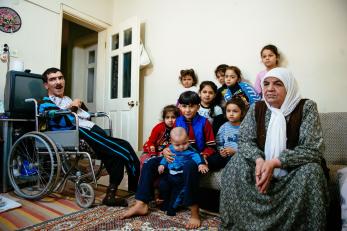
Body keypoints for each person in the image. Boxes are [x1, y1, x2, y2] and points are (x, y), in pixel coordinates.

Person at [219, 67, 329, 230]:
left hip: (294, 171)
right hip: (261, 166)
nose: (270, 88)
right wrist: (259, 160)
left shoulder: (306, 107)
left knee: (312, 171)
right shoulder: (257, 108)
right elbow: (244, 141)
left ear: (289, 87)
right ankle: (242, 224)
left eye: (278, 84)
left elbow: (313, 149)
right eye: (266, 84)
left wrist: (276, 162)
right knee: (236, 164)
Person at [40, 67, 140, 207]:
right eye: (52, 79)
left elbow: (85, 114)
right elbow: (64, 121)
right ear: (46, 85)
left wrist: (78, 103)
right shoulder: (45, 103)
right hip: (77, 133)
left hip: (89, 129)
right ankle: (138, 191)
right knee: (123, 149)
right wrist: (73, 106)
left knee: (117, 155)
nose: (58, 82)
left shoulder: (67, 99)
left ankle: (110, 197)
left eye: (60, 78)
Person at [122, 91, 216, 229]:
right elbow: (169, 141)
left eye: (191, 106)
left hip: (193, 156)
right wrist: (165, 150)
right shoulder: (176, 121)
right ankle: (141, 203)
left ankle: (194, 211)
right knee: (149, 163)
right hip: (175, 155)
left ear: (198, 107)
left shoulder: (204, 122)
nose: (187, 110)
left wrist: (204, 157)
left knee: (190, 167)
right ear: (180, 107)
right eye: (184, 106)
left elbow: (211, 146)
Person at [158, 127, 209, 216]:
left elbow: (196, 156)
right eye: (177, 145)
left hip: (180, 177)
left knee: (177, 192)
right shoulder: (170, 149)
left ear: (188, 139)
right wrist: (162, 164)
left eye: (184, 143)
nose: (181, 147)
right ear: (171, 142)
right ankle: (166, 202)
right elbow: (166, 158)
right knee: (163, 185)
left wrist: (200, 164)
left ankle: (172, 208)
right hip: (170, 174)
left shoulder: (189, 151)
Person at [140, 104, 180, 169]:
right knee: (145, 161)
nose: (170, 120)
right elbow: (151, 142)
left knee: (170, 161)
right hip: (151, 149)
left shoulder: (178, 128)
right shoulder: (158, 127)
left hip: (165, 151)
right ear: (164, 118)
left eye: (173, 117)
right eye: (167, 117)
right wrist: (153, 154)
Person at [214, 97, 247, 169]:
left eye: (235, 111)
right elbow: (219, 142)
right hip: (225, 155)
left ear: (242, 113)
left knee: (234, 161)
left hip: (238, 155)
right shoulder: (224, 126)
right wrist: (221, 150)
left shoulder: (245, 127)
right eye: (228, 111)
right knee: (213, 161)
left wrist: (235, 152)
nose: (231, 114)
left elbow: (247, 146)